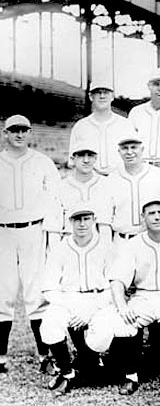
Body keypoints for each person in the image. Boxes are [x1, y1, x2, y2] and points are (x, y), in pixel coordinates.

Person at [85, 196, 160, 395]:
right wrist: (122, 306)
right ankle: (131, 376)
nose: (157, 217)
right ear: (143, 217)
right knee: (124, 323)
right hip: (143, 297)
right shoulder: (133, 243)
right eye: (151, 213)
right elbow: (118, 279)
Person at [0, 114, 61, 374]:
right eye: (13, 130)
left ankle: (44, 355)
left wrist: (52, 235)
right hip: (3, 232)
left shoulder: (43, 162)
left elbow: (55, 197)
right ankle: (0, 357)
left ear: (30, 132)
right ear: (5, 132)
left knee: (36, 293)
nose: (19, 134)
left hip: (34, 230)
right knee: (3, 294)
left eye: (23, 130)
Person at [40, 205, 112, 395]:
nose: (82, 224)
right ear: (70, 222)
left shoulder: (106, 246)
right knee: (48, 326)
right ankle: (68, 372)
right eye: (77, 219)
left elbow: (114, 287)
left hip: (99, 298)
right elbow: (48, 287)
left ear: (94, 220)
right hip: (68, 299)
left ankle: (83, 365)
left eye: (86, 218)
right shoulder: (60, 248)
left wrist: (90, 310)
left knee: (102, 337)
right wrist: (70, 306)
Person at [68, 80, 135, 175]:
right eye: (98, 92)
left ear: (112, 96)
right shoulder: (81, 126)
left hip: (120, 178)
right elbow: (73, 162)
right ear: (91, 97)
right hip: (91, 179)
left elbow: (135, 158)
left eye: (106, 92)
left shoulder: (125, 125)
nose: (102, 96)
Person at [55, 142, 112, 239]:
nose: (86, 160)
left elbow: (105, 226)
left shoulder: (106, 184)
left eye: (90, 155)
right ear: (73, 159)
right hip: (69, 244)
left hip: (97, 243)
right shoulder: (61, 186)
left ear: (95, 158)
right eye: (81, 155)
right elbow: (54, 227)